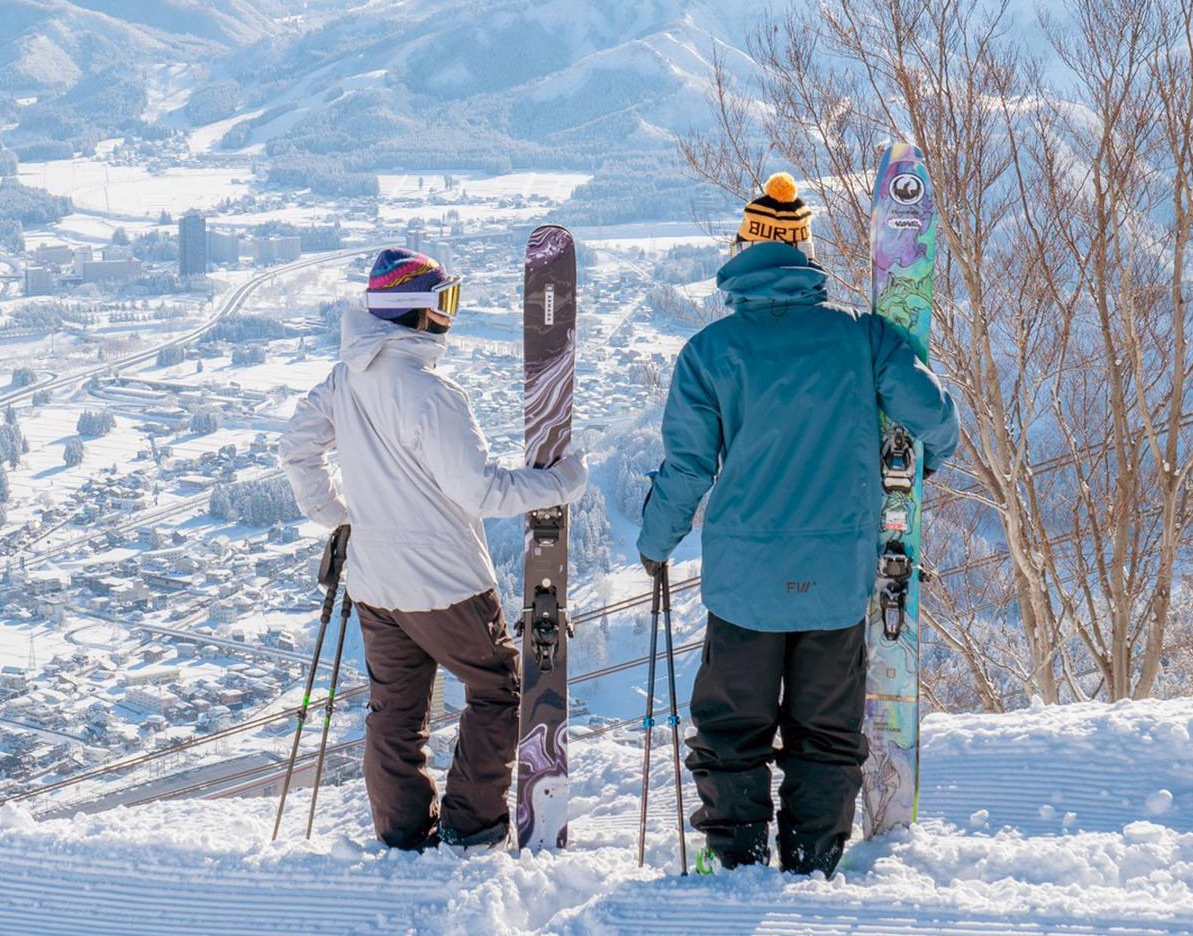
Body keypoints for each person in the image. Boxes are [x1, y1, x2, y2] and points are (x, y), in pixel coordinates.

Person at [637, 173, 960, 878]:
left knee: (731, 730)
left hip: (744, 585)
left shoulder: (710, 352)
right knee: (825, 731)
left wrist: (653, 543)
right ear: (806, 254)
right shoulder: (861, 339)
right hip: (837, 580)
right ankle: (812, 864)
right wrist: (923, 465)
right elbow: (935, 415)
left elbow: (687, 471)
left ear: (742, 250)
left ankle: (740, 860)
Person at [280, 246, 588, 852]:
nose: (451, 317)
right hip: (444, 582)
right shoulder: (430, 392)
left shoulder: (346, 379)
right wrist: (560, 484)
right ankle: (471, 827)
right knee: (501, 687)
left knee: (394, 710)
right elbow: (480, 489)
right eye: (445, 302)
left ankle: (403, 836)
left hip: (374, 582)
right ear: (417, 312)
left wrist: (338, 518)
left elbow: (297, 446)